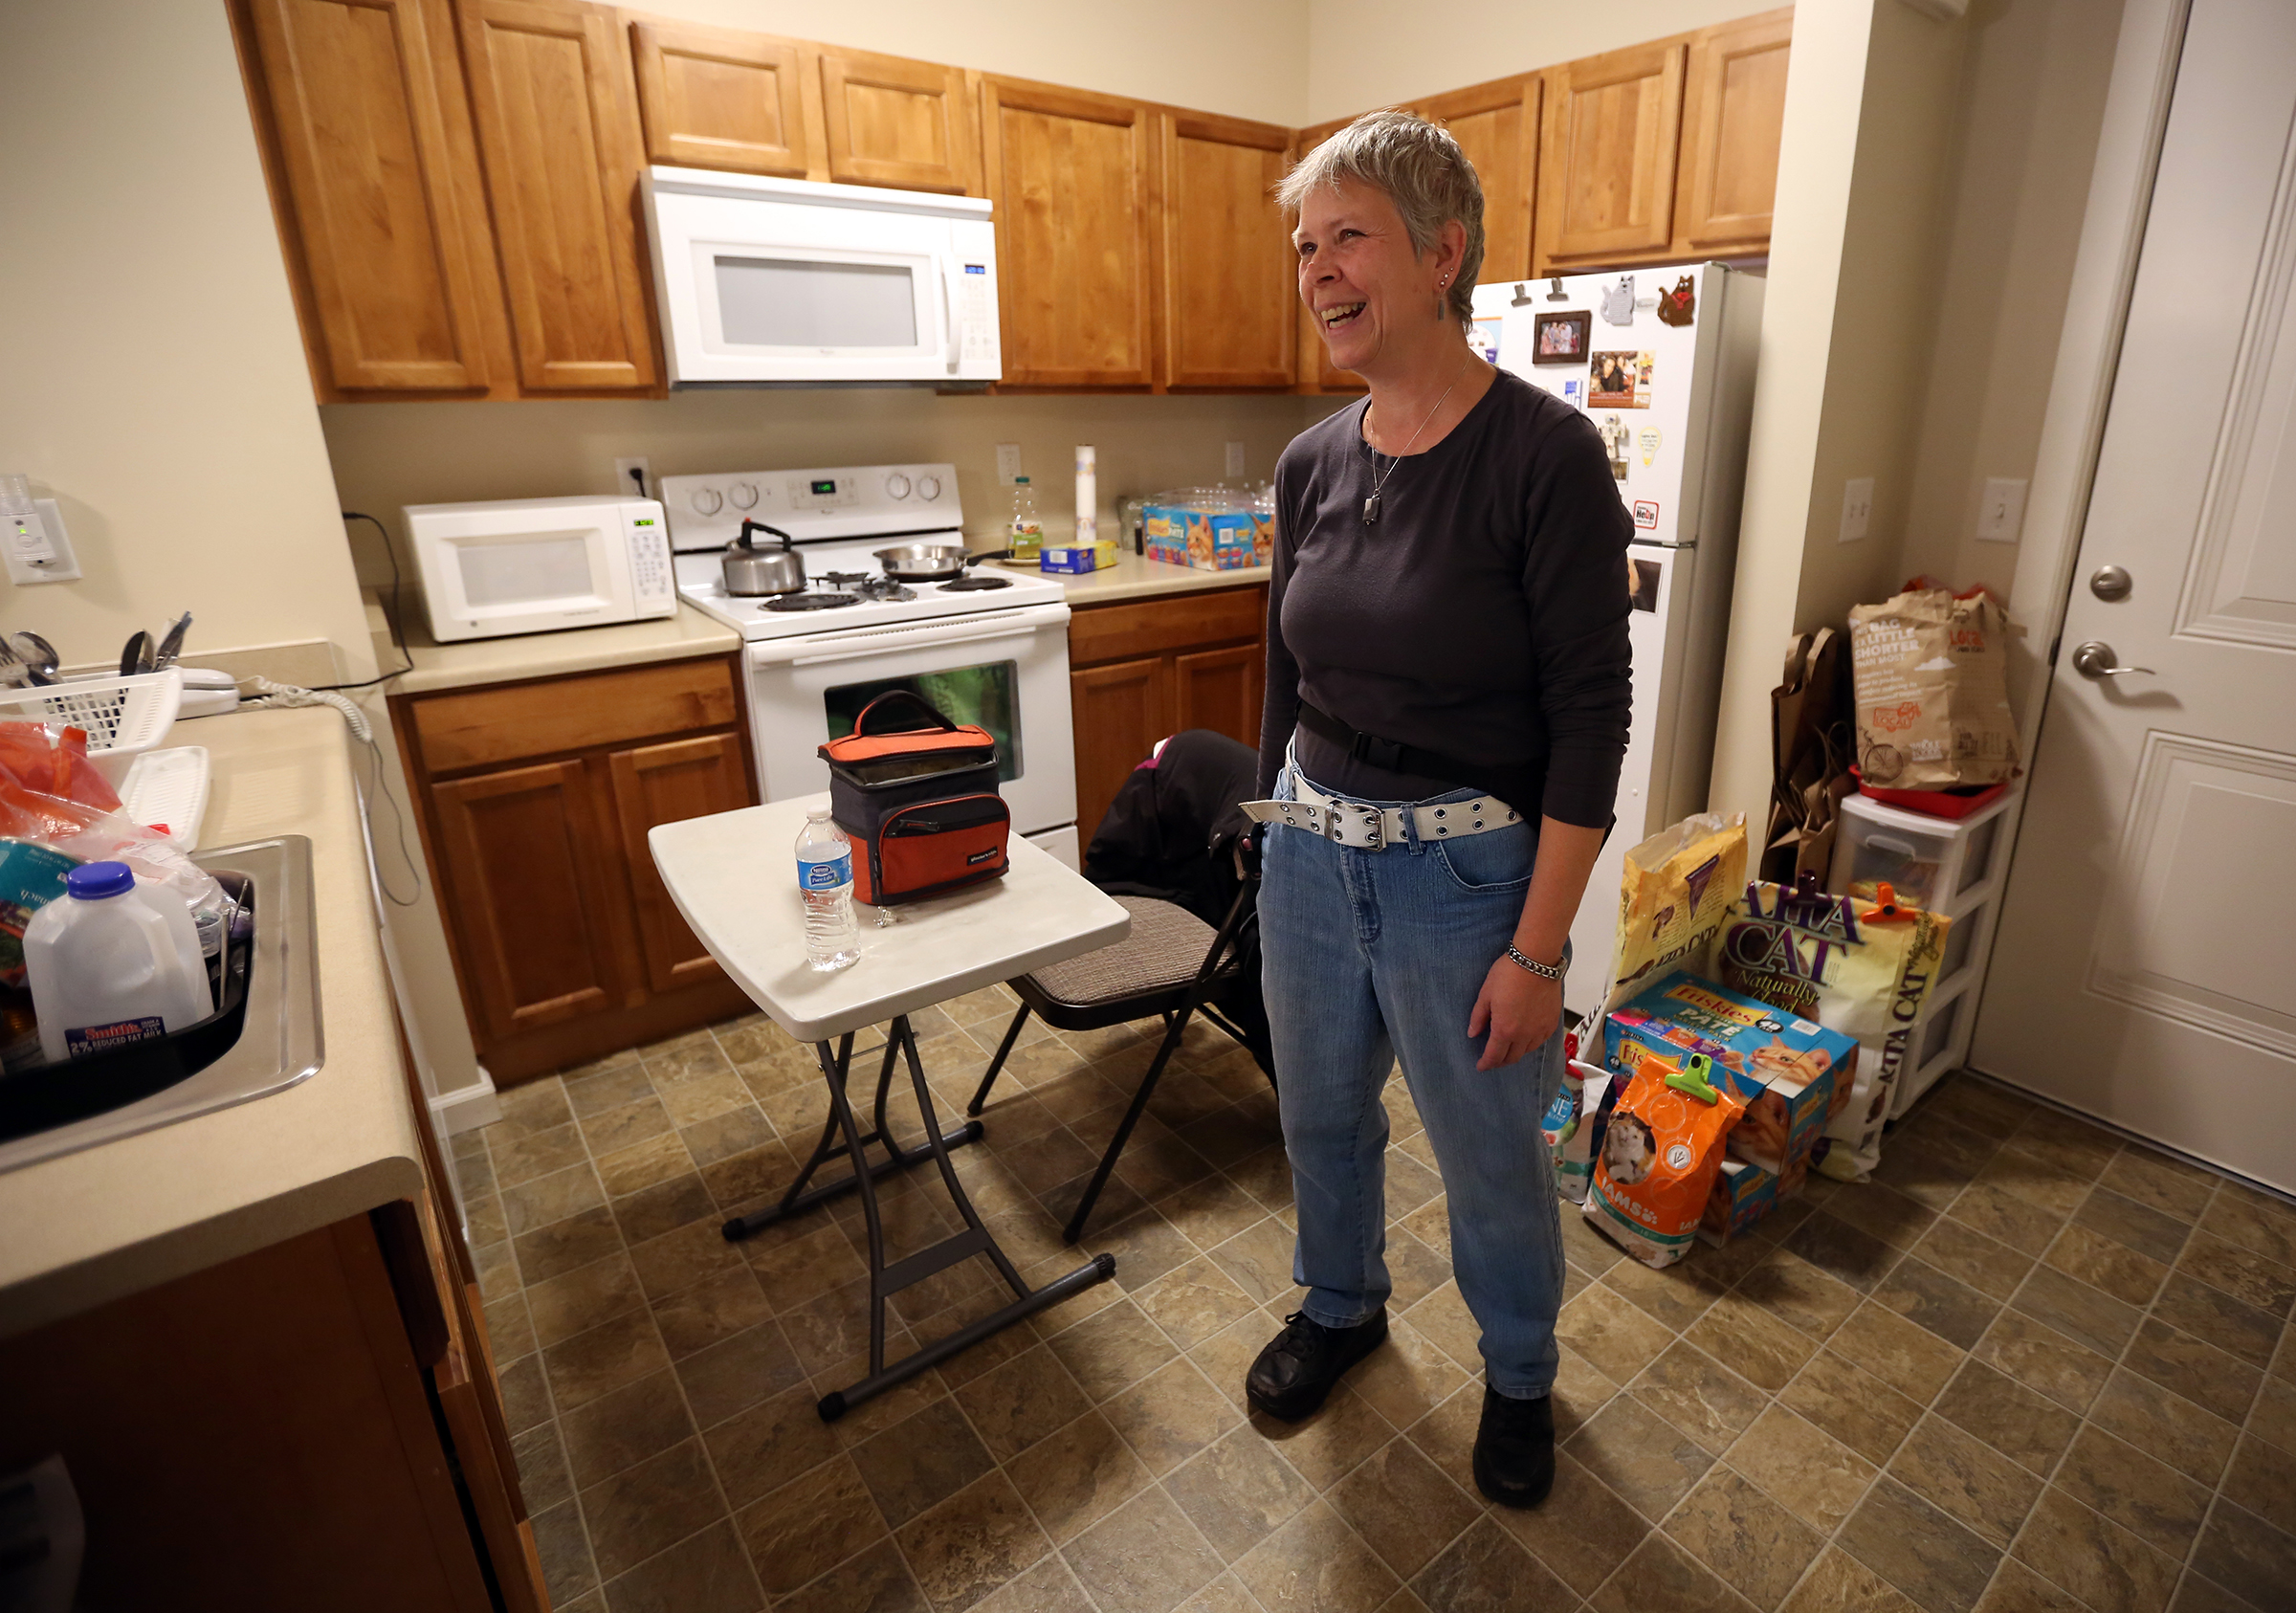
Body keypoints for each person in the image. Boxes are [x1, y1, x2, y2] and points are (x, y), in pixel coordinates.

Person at [1244, 110, 1632, 1510]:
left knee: (1487, 1159)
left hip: (1462, 879)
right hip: (1309, 852)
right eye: (1306, 244)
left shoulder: (1545, 457)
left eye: (1348, 236)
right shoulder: (1310, 461)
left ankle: (1519, 1373)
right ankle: (1341, 1304)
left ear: (1442, 248)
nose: (1319, 270)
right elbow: (1288, 665)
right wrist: (1266, 830)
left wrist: (1540, 951)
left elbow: (1593, 719)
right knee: (1323, 1116)